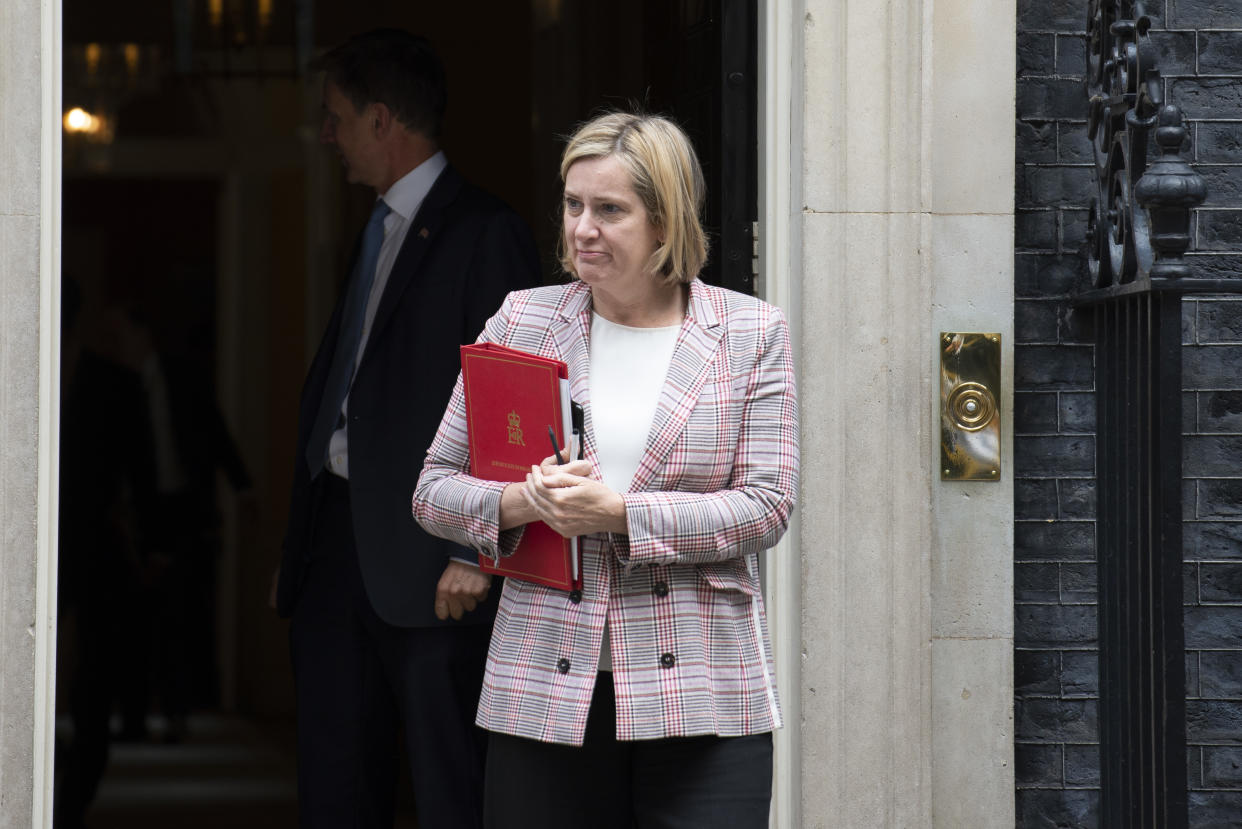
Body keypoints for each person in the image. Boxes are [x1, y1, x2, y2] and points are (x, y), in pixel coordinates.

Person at [413, 111, 800, 828]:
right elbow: (434, 489)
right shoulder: (520, 321)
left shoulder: (749, 332)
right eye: (572, 205)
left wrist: (622, 514)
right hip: (543, 689)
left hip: (705, 693)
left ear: (665, 221)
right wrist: (521, 501)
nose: (582, 228)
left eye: (610, 210)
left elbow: (768, 504)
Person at [274, 29, 540, 828]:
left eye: (338, 116)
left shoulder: (483, 231)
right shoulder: (373, 230)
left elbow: (514, 404)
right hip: (335, 553)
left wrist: (477, 547)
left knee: (445, 787)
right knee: (334, 784)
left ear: (382, 120)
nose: (328, 135)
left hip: (433, 569)